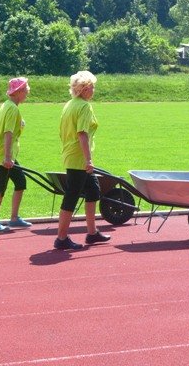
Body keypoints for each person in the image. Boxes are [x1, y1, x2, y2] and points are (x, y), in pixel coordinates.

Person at [54, 71, 111, 250]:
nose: (94, 90)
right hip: (78, 157)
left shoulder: (70, 104)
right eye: (92, 87)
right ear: (84, 89)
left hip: (71, 153)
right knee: (72, 195)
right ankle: (61, 238)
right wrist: (88, 160)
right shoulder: (84, 107)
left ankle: (92, 233)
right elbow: (82, 134)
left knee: (93, 191)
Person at [0, 77, 33, 233]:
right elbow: (7, 133)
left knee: (20, 182)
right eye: (26, 90)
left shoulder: (6, 105)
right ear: (18, 92)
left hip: (3, 153)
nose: (28, 92)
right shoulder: (12, 109)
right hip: (5, 155)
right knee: (0, 187)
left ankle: (14, 218)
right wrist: (5, 157)